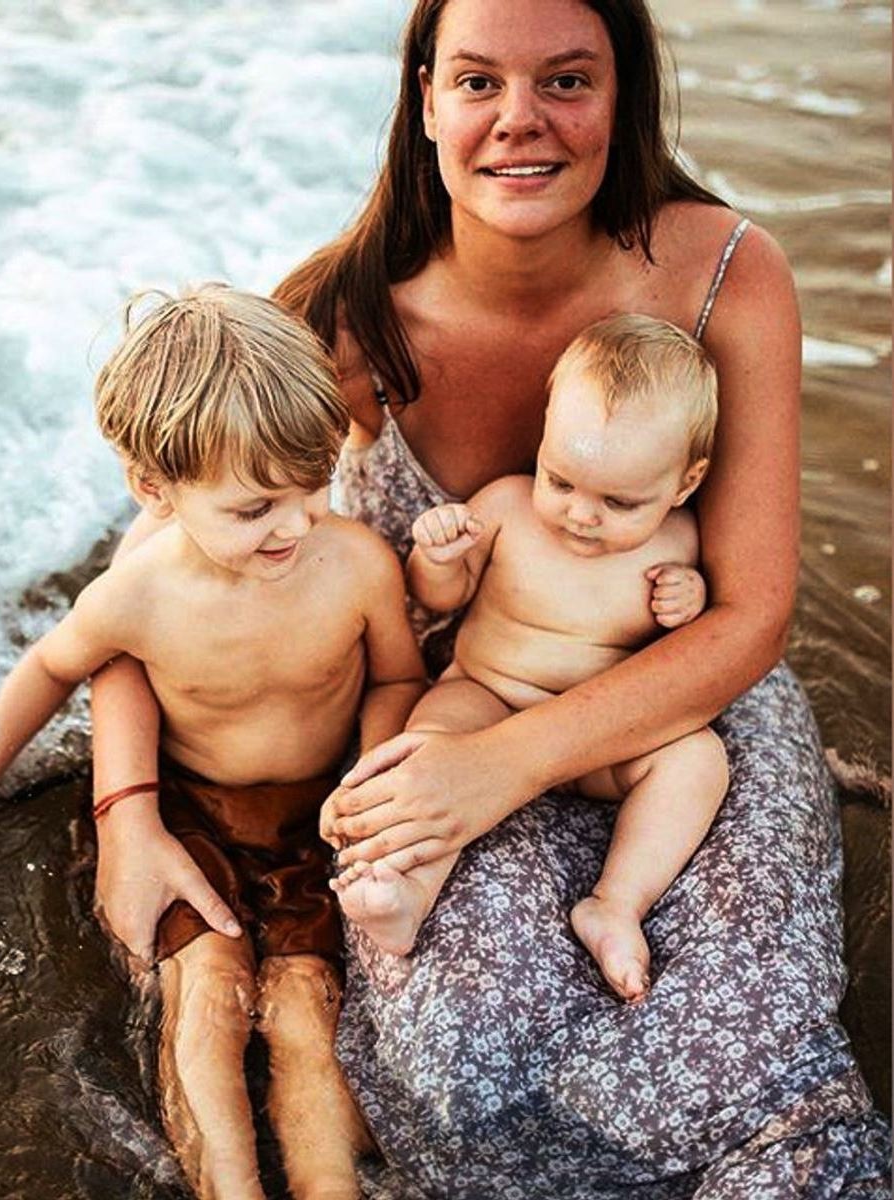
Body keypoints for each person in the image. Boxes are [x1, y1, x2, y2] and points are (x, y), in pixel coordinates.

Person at [90, 0, 892, 1193]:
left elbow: (746, 616)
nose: (520, 119)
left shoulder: (722, 276)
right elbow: (157, 566)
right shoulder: (341, 312)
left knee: (742, 1059)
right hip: (442, 709)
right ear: (422, 99)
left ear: (621, 94)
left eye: (565, 79)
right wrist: (126, 810)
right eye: (476, 81)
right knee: (452, 1063)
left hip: (679, 715)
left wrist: (508, 764)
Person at [0, 285, 426, 1200]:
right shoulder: (139, 593)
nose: (294, 523)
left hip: (313, 815)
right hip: (193, 809)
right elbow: (50, 667)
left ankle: (328, 1187)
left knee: (305, 1006)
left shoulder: (355, 564)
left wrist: (371, 772)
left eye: (311, 484)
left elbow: (396, 678)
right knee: (207, 993)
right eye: (253, 507)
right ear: (154, 490)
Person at [333, 315, 729, 1003]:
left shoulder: (680, 542)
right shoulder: (507, 506)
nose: (582, 514)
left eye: (619, 501)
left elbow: (686, 656)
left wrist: (689, 600)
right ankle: (406, 891)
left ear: (685, 483)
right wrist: (439, 557)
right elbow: (439, 598)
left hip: (599, 742)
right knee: (429, 746)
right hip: (487, 695)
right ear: (543, 441)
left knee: (698, 760)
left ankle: (616, 903)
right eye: (562, 480)